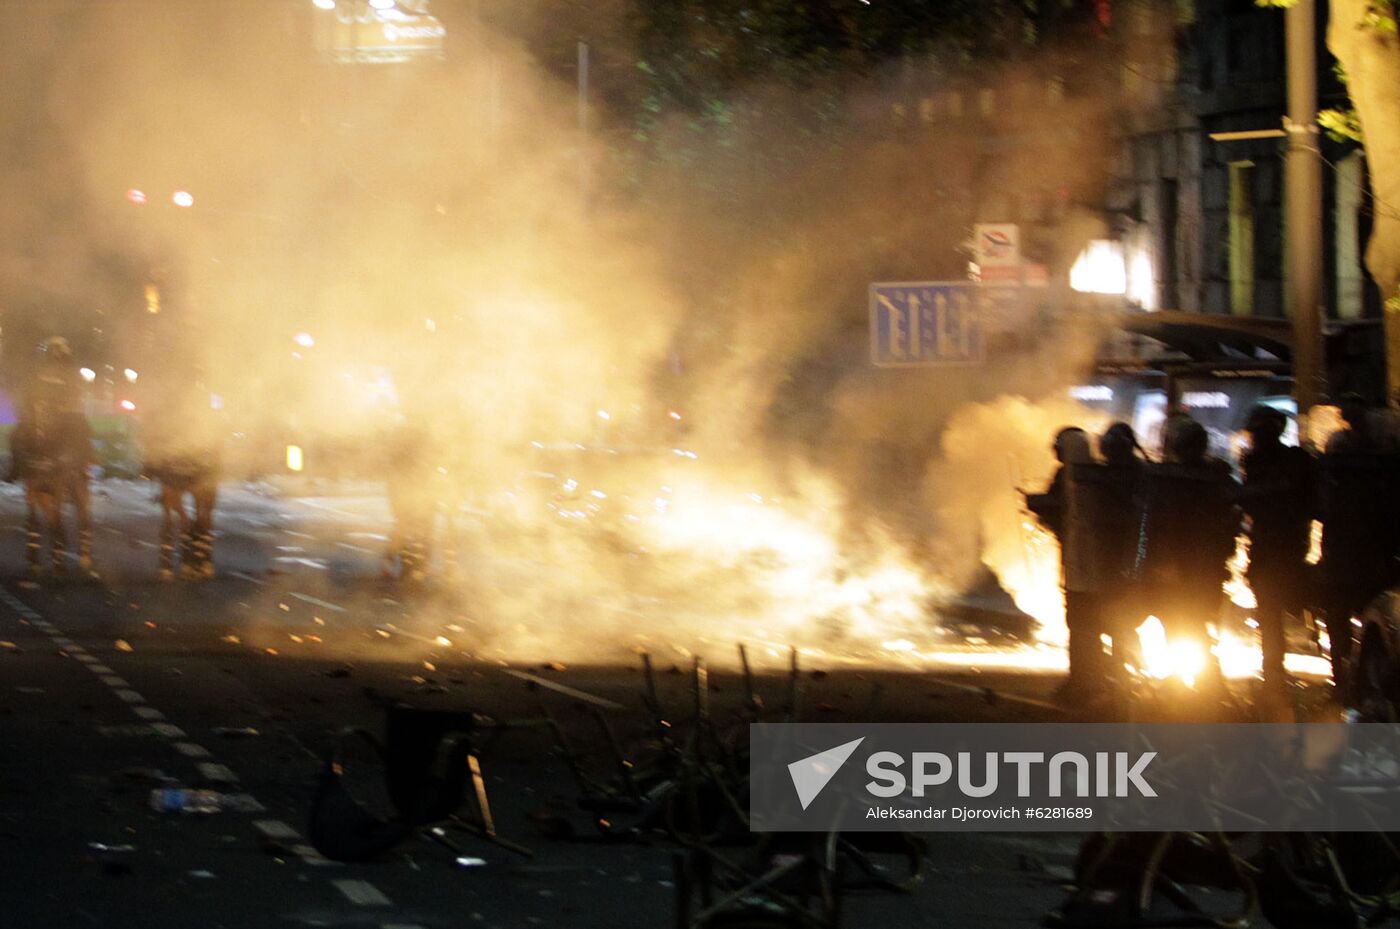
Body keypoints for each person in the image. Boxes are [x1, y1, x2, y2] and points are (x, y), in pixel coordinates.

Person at [1137, 414, 1240, 699]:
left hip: (1183, 569)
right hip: (1202, 568)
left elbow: (1151, 521)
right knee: (1196, 621)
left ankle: (1200, 684)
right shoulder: (1216, 477)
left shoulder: (1167, 479)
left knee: (1182, 621)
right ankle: (1207, 684)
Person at [1319, 394, 1400, 698]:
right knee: (1368, 621)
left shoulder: (1341, 459)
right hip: (1371, 558)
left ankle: (1348, 681)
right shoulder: (1383, 459)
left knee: (1347, 622)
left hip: (1349, 557)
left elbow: (1322, 507)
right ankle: (1357, 682)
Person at [1237, 406, 1314, 712]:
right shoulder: (1263, 461)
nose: (1254, 438)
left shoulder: (1290, 462)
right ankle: (1274, 674)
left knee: (1273, 614)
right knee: (1270, 614)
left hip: (1281, 551)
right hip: (1277, 551)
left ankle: (1274, 675)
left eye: (1257, 433)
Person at [1025, 426, 1102, 701]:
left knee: (1081, 627)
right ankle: (1100, 681)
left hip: (1080, 565)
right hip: (1104, 568)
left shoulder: (1066, 476)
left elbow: (1053, 508)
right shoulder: (1103, 473)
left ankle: (1085, 682)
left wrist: (1036, 506)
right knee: (1098, 625)